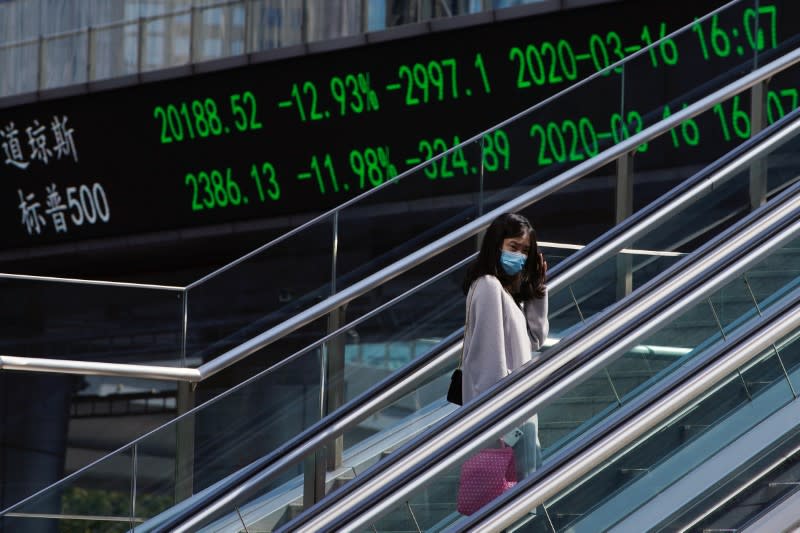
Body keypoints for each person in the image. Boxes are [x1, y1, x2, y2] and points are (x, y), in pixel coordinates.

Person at [461, 212, 549, 476]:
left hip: (516, 415)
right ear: (496, 245)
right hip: (505, 420)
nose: (520, 256)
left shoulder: (507, 295)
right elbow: (490, 366)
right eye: (513, 247)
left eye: (525, 251)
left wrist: (538, 286)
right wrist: (503, 425)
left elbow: (536, 338)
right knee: (509, 502)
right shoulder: (488, 286)